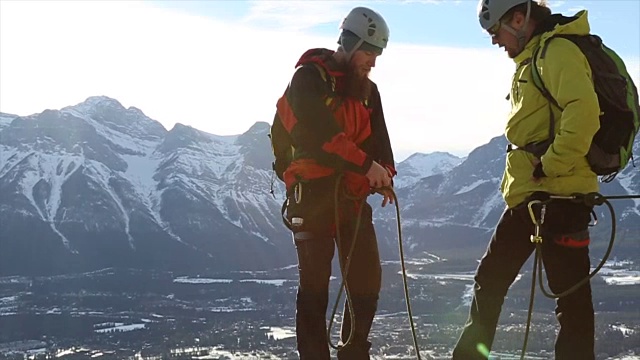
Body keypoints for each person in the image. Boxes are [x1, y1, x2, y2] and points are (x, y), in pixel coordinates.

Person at [452, 1, 600, 359]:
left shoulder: (556, 52)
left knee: (566, 300)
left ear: (519, 19)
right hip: (538, 197)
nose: (494, 41)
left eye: (495, 31)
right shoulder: (536, 58)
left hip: (556, 196)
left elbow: (584, 113)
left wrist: (549, 165)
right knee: (497, 282)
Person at [273, 6, 396, 360]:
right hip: (311, 197)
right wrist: (366, 166)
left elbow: (380, 145)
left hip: (351, 198)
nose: (372, 62)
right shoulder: (307, 80)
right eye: (368, 53)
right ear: (350, 43)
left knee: (366, 286)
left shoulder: (368, 93)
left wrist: (383, 174)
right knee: (313, 291)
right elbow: (319, 139)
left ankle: (353, 352)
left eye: (376, 55)